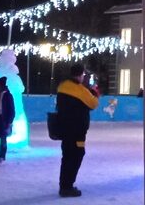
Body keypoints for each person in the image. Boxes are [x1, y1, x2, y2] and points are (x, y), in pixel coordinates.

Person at [56, 63, 100, 197]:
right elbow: (93, 103)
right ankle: (67, 186)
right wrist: (94, 93)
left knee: (67, 156)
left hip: (65, 129)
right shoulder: (80, 90)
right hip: (77, 131)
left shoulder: (62, 86)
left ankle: (64, 184)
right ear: (81, 74)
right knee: (76, 156)